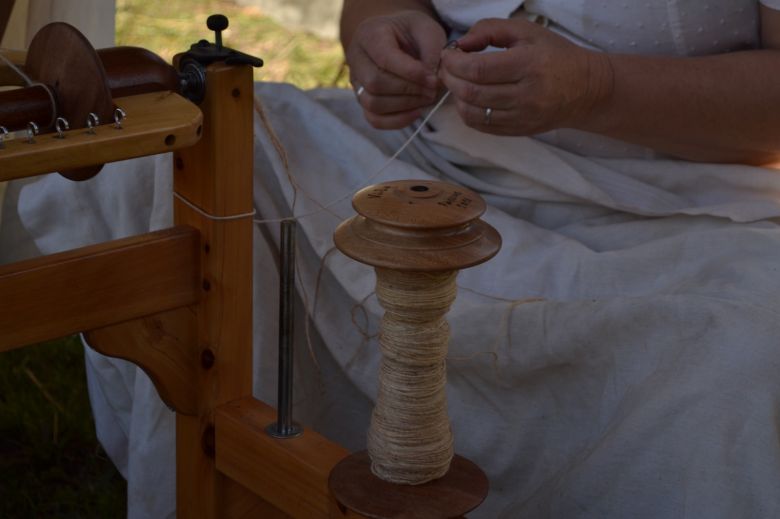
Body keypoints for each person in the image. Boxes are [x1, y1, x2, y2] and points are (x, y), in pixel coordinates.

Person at [5, 1, 780, 518]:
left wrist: (597, 88)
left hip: (667, 204)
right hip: (429, 158)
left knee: (742, 358)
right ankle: (233, 475)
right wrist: (377, 39)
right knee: (178, 165)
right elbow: (373, 4)